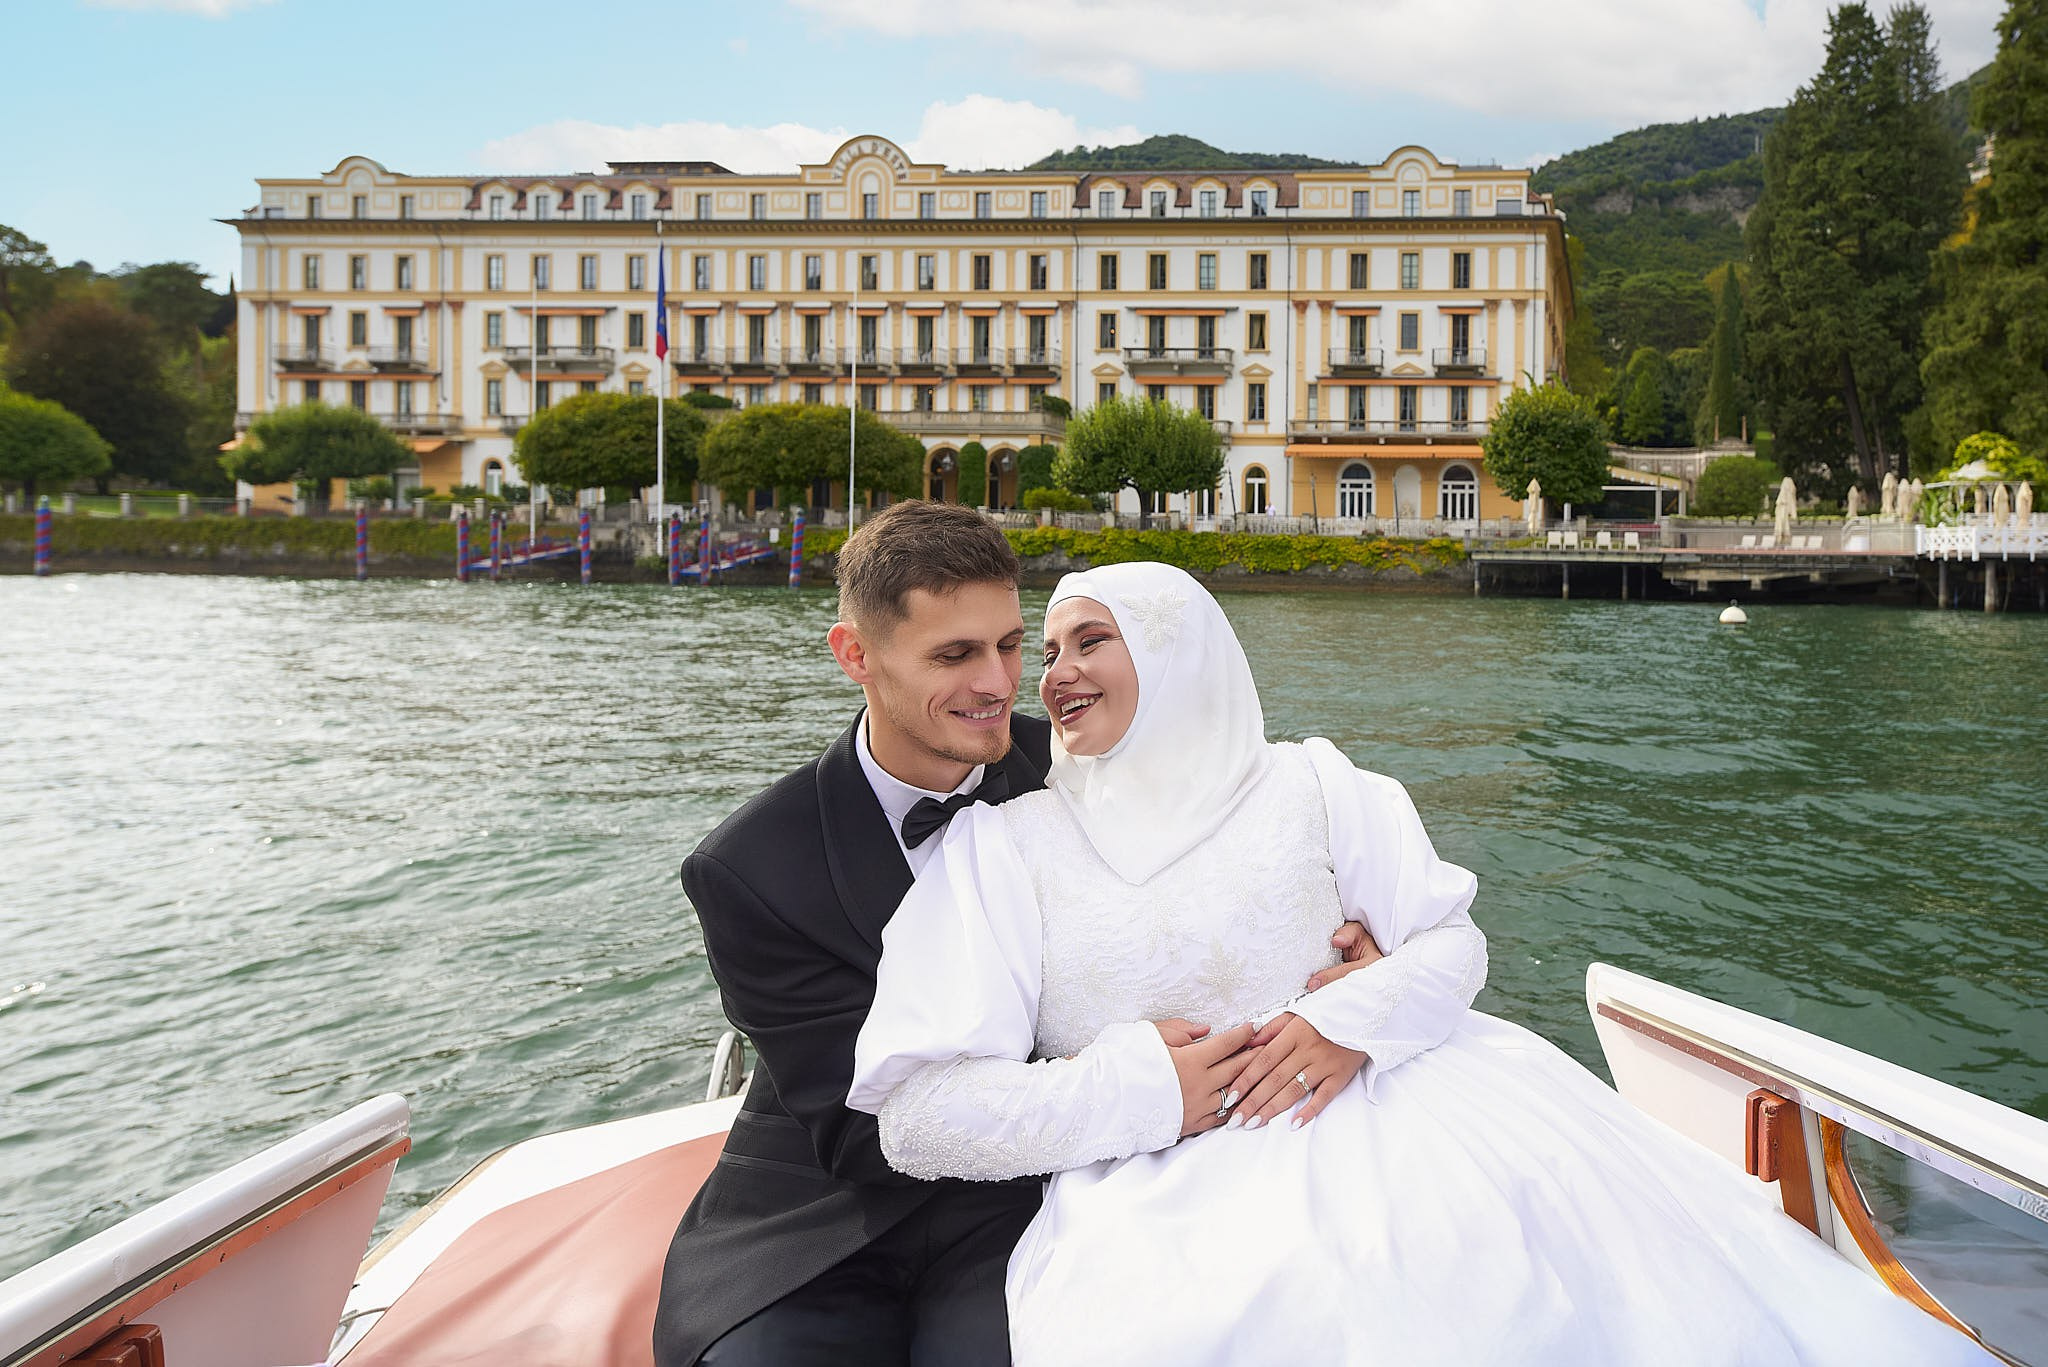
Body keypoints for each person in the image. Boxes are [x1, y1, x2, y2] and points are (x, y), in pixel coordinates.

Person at [848, 561, 1998, 1367]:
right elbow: (917, 1115)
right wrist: (1142, 1091)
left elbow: (1454, 940)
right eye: (1042, 650)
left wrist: (1359, 1015)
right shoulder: (1004, 848)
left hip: (1409, 1103)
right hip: (1164, 1178)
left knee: (1517, 1284)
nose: (1051, 672)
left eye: (1086, 639)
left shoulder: (1314, 782)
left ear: (1180, 651)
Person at [654, 504, 1388, 1367]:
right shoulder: (748, 867)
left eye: (1009, 644)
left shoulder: (1091, 759)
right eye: (954, 654)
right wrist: (1138, 1088)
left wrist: (1352, 979)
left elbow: (1244, 847)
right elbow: (859, 1126)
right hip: (825, 1216)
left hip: (1047, 1200)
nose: (999, 682)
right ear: (856, 655)